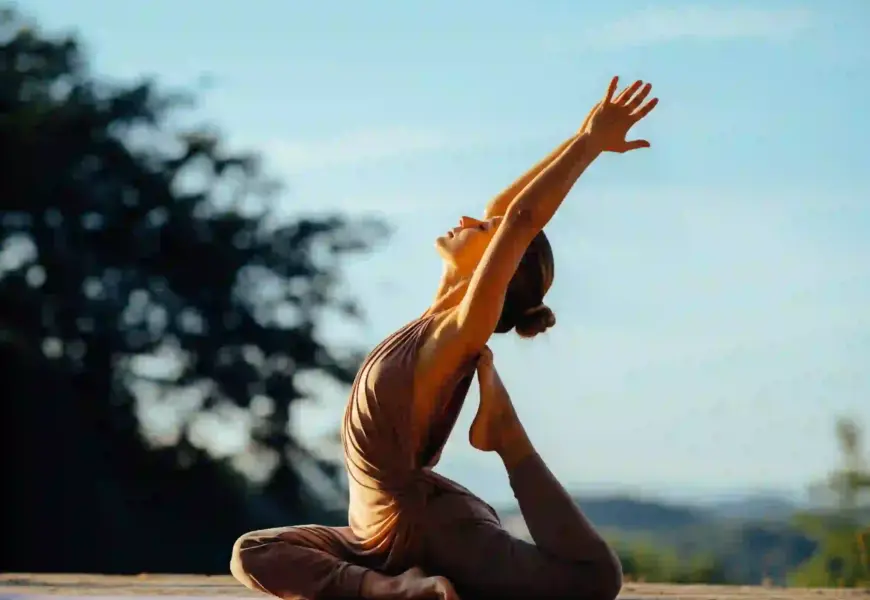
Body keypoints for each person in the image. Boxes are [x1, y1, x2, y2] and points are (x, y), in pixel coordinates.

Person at [230, 76, 658, 600]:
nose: (467, 218)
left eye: (482, 229)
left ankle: (505, 440)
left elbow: (519, 220)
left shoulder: (456, 334)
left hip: (429, 529)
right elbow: (508, 208)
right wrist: (574, 136)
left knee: (593, 579)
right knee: (252, 551)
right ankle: (394, 586)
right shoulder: (438, 312)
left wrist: (590, 145)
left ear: (495, 267)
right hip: (373, 539)